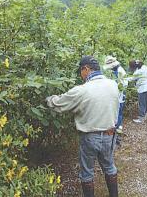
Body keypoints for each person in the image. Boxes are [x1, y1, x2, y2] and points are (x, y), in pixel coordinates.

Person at [46, 56, 119, 197]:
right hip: (110, 134)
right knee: (110, 167)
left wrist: (48, 100)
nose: (81, 75)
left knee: (87, 173)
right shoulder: (113, 85)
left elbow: (59, 103)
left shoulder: (82, 90)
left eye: (81, 71)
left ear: (86, 69)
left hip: (90, 137)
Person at [103, 56, 128, 135]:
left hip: (119, 95)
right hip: (117, 95)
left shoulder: (120, 71)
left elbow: (123, 84)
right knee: (117, 112)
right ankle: (117, 128)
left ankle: (117, 129)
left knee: (118, 112)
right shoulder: (115, 70)